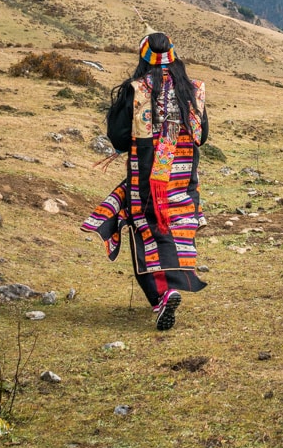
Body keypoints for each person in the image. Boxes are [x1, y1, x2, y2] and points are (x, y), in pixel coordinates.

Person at [82, 32, 208, 330]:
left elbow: (119, 137)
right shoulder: (193, 90)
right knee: (176, 231)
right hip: (183, 180)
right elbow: (201, 136)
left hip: (148, 179)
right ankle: (171, 288)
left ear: (143, 58)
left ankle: (163, 295)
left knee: (146, 234)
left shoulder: (136, 90)